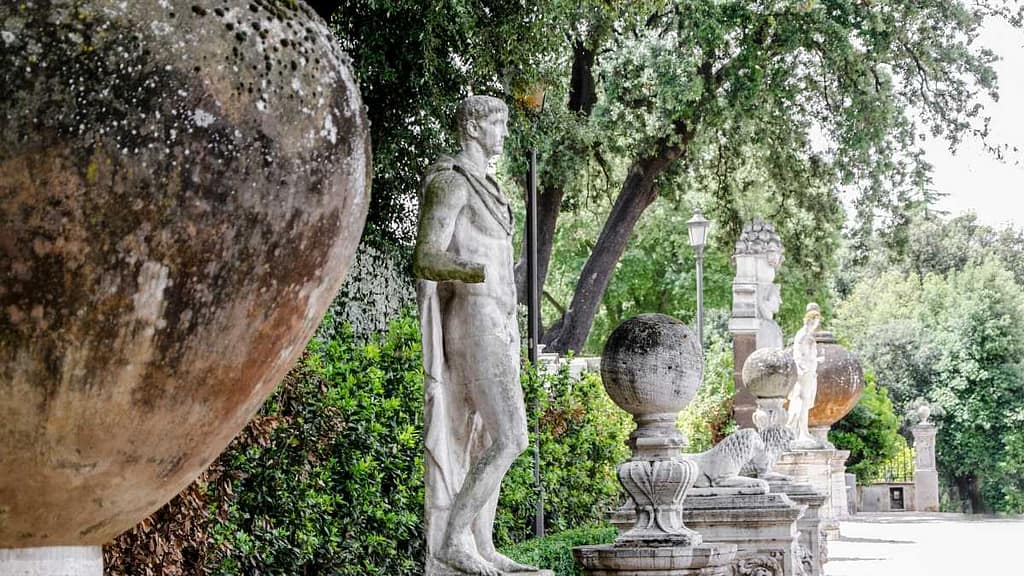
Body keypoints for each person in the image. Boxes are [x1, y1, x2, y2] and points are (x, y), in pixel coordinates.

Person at [414, 95, 537, 576]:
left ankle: (482, 546)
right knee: (513, 438)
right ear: (471, 127)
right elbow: (426, 255)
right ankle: (450, 540)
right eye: (495, 123)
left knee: (484, 439)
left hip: (501, 323)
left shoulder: (491, 187)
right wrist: (475, 271)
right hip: (474, 319)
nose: (503, 133)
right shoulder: (451, 183)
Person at [787, 304, 823, 449]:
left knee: (805, 401)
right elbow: (799, 356)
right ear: (811, 321)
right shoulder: (802, 335)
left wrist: (815, 361)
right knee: (801, 400)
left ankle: (804, 431)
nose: (816, 324)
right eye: (815, 321)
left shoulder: (806, 335)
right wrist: (808, 365)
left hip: (808, 371)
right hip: (804, 372)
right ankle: (799, 431)